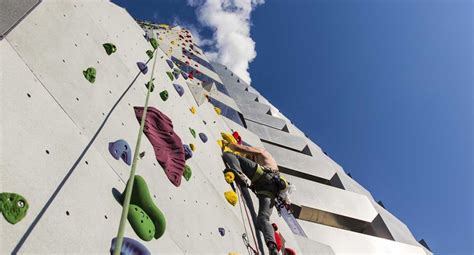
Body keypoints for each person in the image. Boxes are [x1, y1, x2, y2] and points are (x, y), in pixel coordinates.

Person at [222, 143, 291, 255]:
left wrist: (230, 144)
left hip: (264, 176)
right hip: (271, 191)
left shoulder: (263, 152)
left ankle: (239, 174)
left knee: (229, 155)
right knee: (263, 219)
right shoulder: (273, 165)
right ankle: (272, 246)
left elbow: (245, 148)